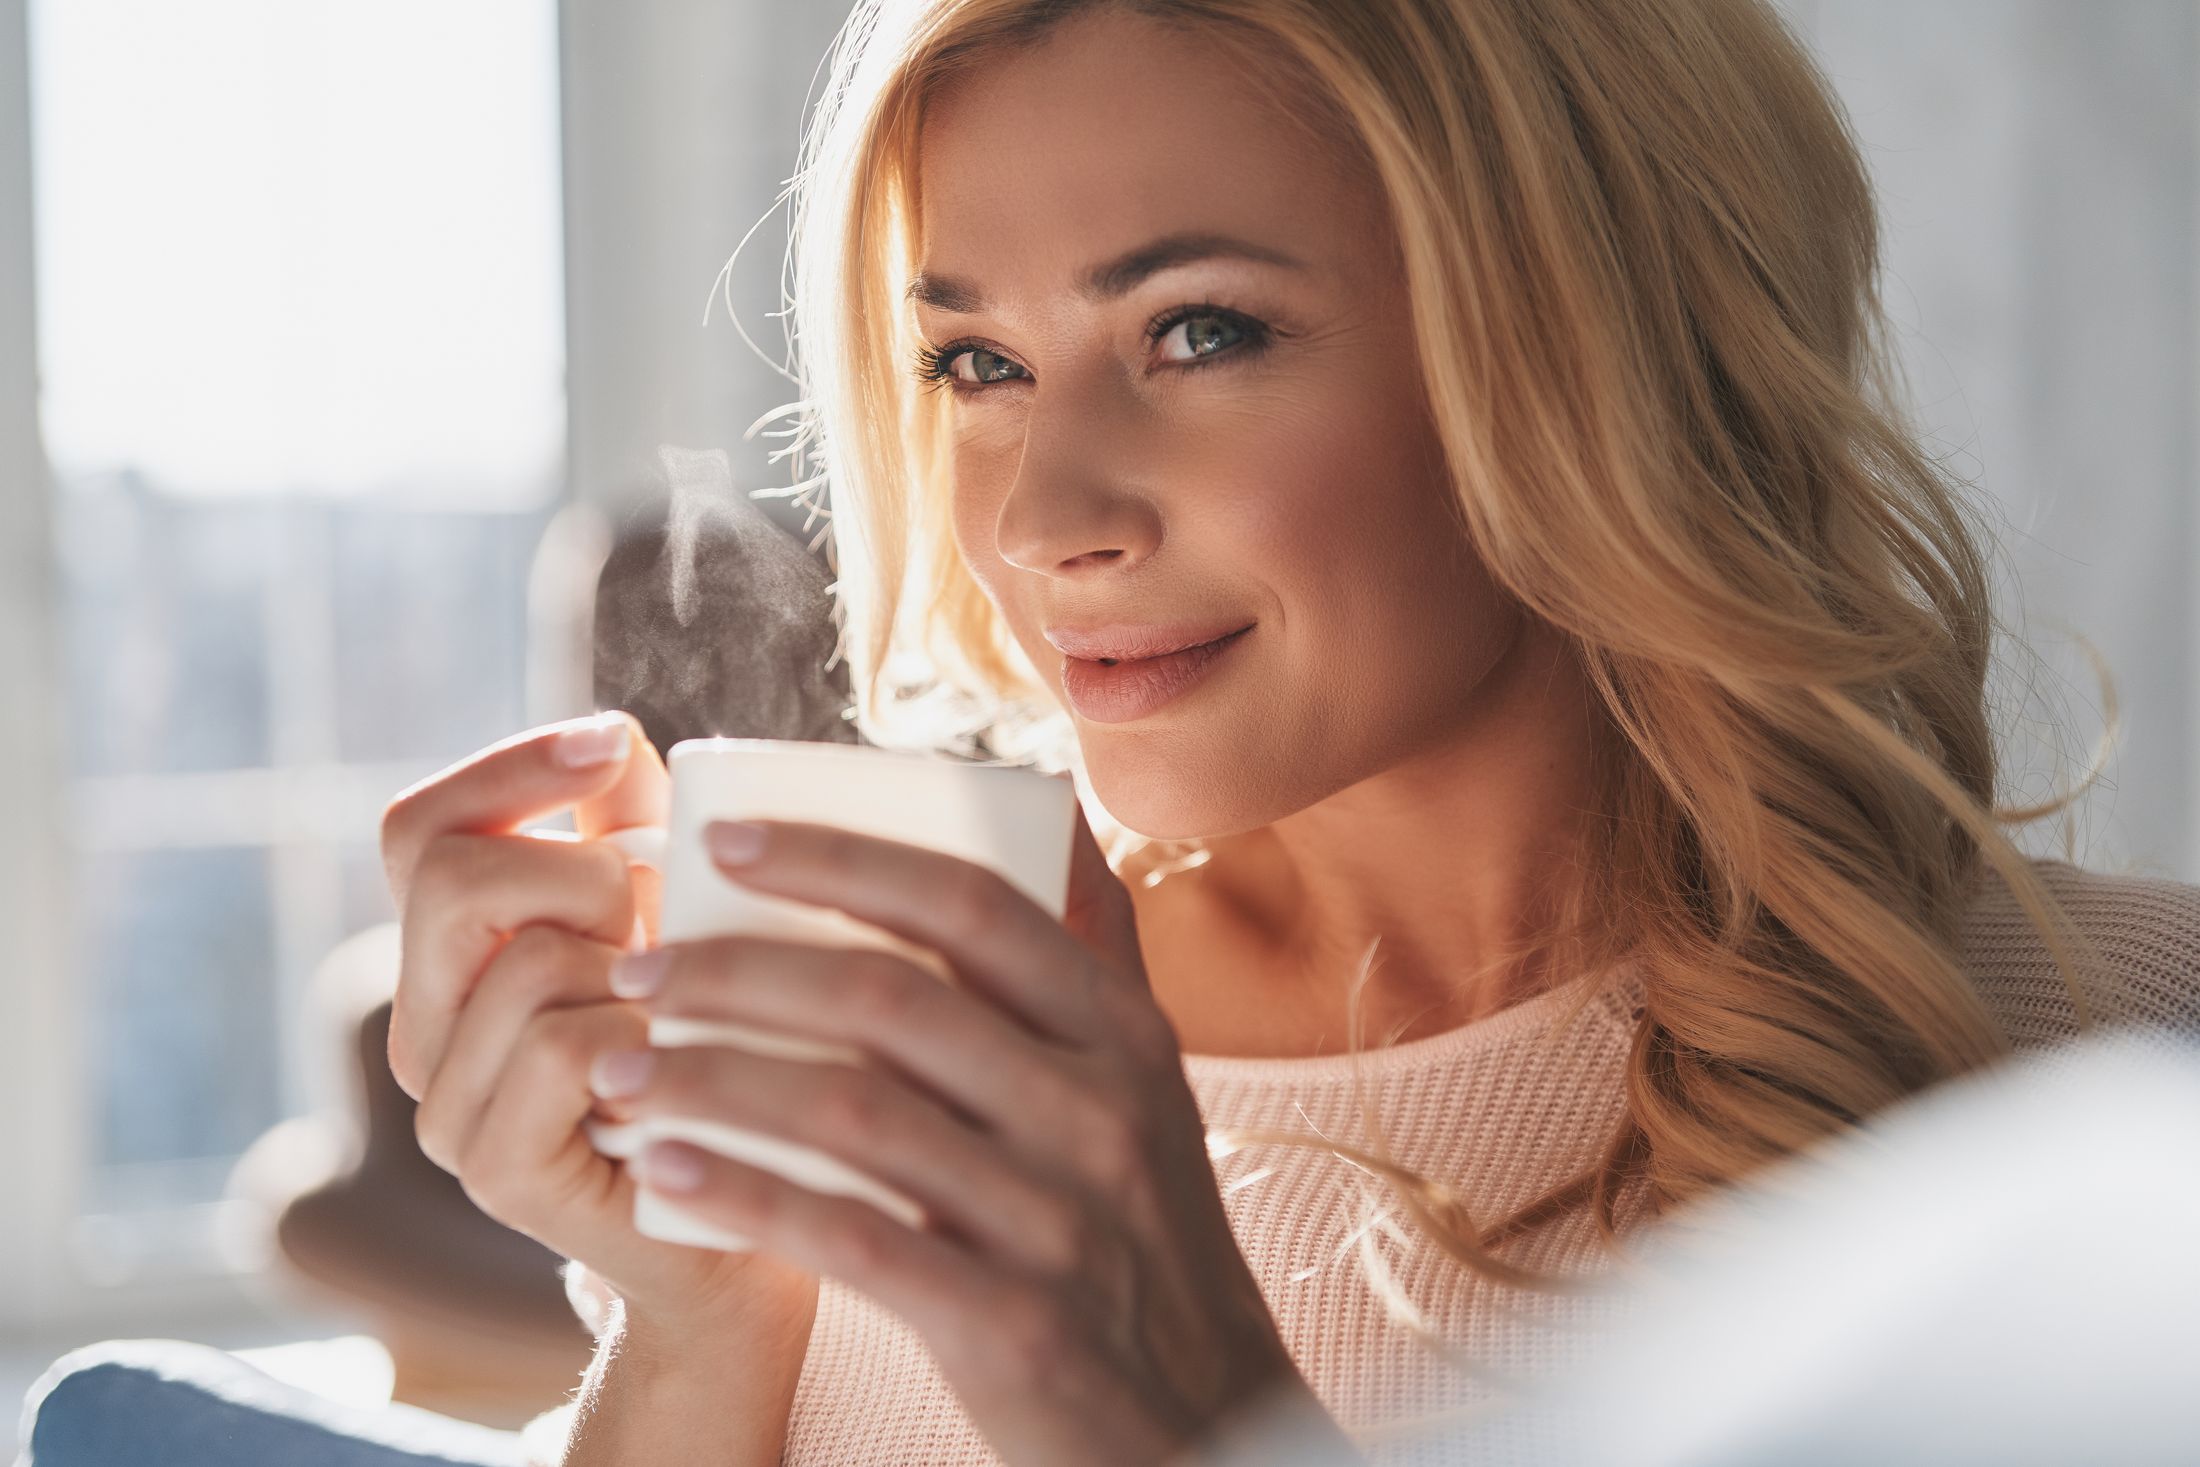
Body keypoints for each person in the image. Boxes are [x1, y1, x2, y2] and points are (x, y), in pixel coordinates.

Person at [23, 1, 2200, 1464]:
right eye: (970, 362)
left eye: (1199, 330)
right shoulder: (914, 1057)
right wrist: (690, 1338)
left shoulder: (2131, 1084)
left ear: (1592, 354)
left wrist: (1196, 1418)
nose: (1040, 521)